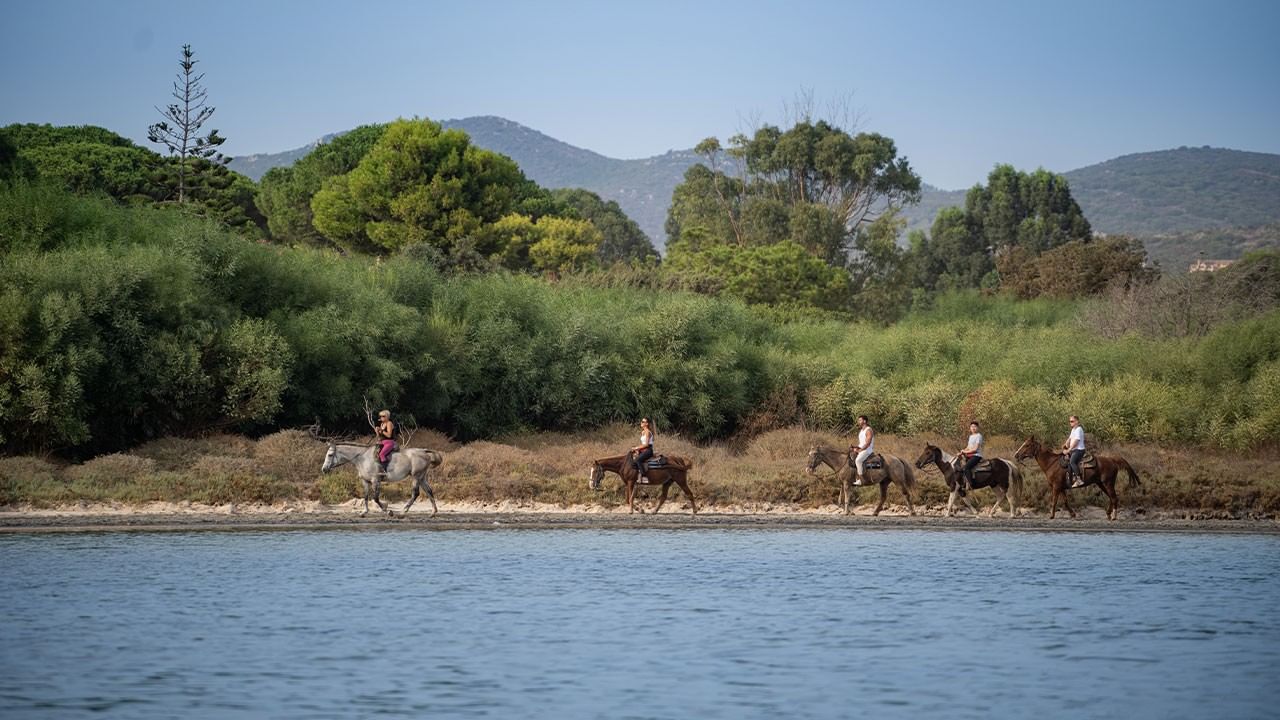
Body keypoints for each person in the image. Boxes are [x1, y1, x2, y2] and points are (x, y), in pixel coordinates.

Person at [957, 421, 984, 491]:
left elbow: (975, 449)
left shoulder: (979, 436)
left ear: (977, 428)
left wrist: (965, 452)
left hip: (976, 455)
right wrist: (961, 452)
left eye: (975, 426)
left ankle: (970, 484)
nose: (973, 428)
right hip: (969, 455)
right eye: (972, 427)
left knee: (966, 468)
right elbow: (968, 447)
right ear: (970, 428)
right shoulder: (971, 436)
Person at [850, 415, 875, 486]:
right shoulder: (861, 431)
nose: (858, 422)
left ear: (864, 421)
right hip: (862, 448)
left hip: (867, 450)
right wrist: (855, 447)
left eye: (860, 420)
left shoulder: (868, 430)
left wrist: (860, 450)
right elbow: (862, 443)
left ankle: (861, 480)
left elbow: (868, 443)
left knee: (858, 460)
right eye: (858, 420)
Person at [1063, 415, 1086, 488]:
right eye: (1070, 421)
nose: (1070, 423)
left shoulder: (1079, 429)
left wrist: (1068, 450)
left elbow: (1076, 441)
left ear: (1077, 421)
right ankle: (1071, 478)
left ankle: (1079, 480)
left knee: (1072, 461)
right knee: (1067, 461)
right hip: (1074, 450)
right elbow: (1069, 439)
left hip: (1079, 450)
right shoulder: (1073, 430)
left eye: (1072, 421)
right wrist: (1065, 445)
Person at [375, 409, 397, 475]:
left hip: (389, 442)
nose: (381, 417)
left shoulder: (389, 423)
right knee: (374, 453)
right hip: (382, 441)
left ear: (387, 416)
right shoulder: (382, 424)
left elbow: (389, 435)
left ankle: (385, 471)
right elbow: (379, 437)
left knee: (382, 454)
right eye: (380, 416)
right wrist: (377, 431)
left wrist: (381, 430)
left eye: (383, 416)